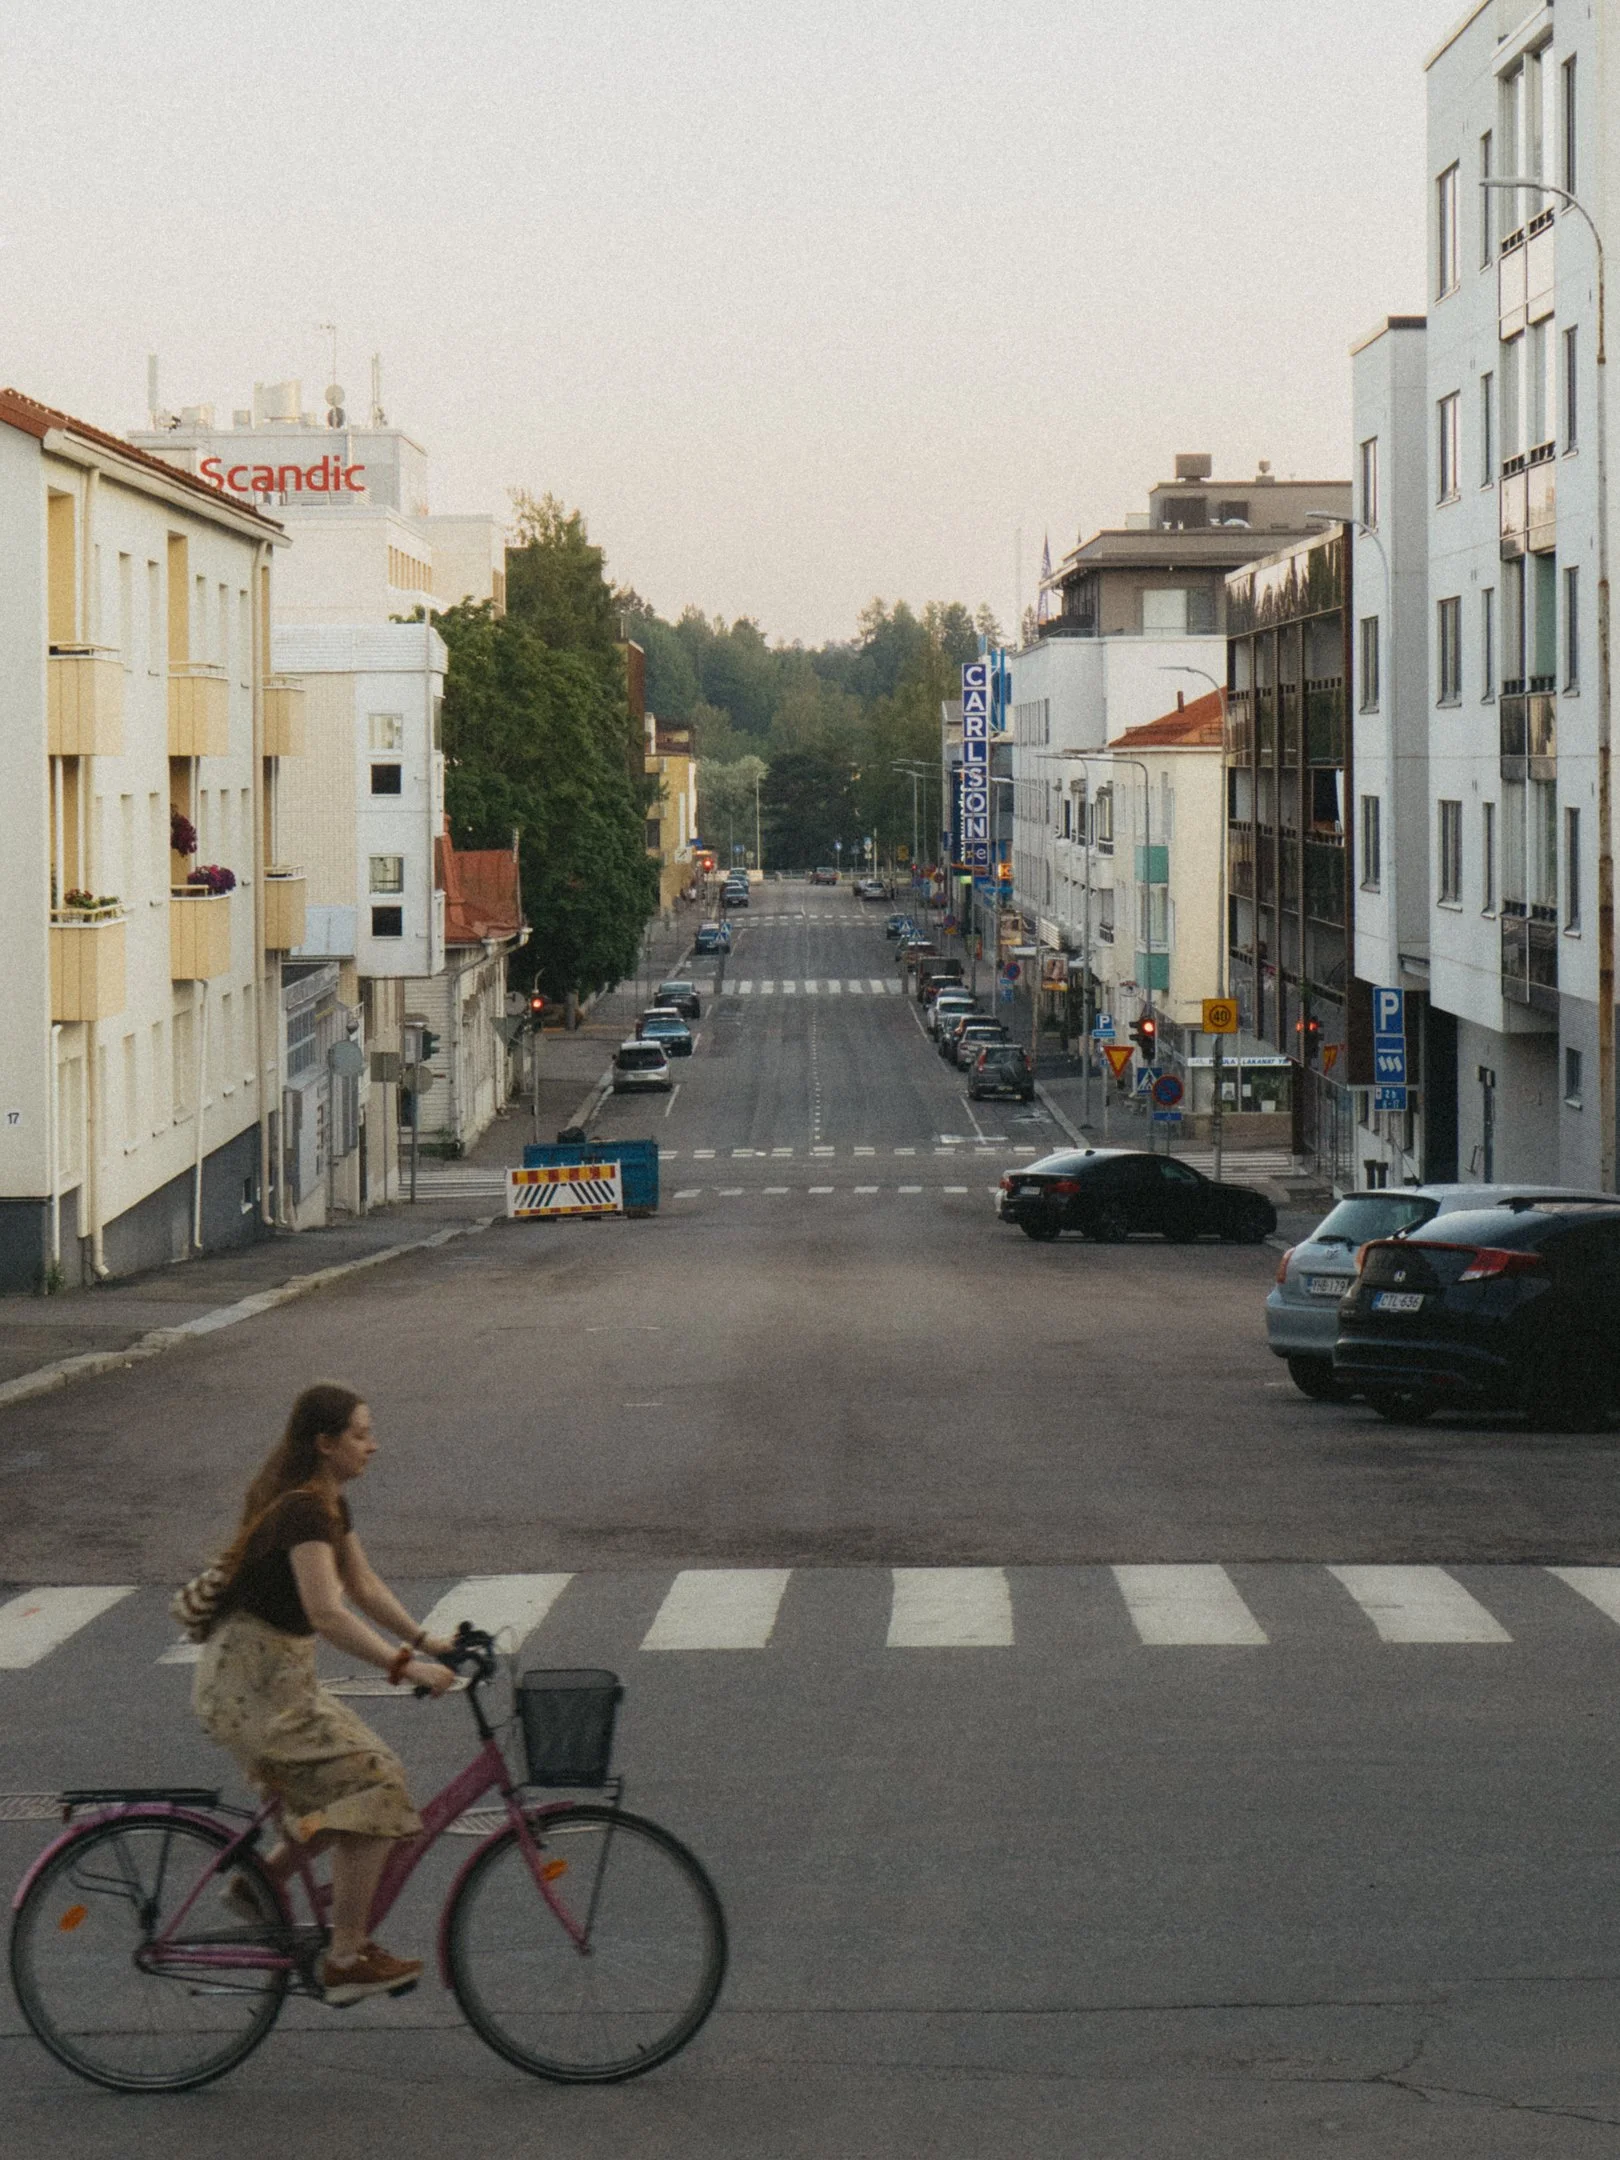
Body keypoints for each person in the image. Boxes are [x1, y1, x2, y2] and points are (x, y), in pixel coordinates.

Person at [193, 1382, 456, 2006]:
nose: (374, 1445)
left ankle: (261, 1884)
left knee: (348, 1785)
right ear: (325, 1443)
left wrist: (427, 1639)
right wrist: (406, 1667)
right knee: (375, 1783)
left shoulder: (326, 1503)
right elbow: (329, 1612)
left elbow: (361, 1585)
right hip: (252, 1691)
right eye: (361, 1434)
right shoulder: (303, 1511)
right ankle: (345, 1956)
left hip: (275, 1682)